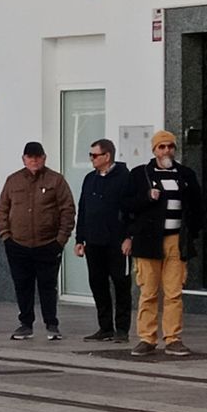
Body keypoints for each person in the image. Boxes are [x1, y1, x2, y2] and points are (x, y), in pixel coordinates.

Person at [125, 130, 203, 357]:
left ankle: (173, 338)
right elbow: (126, 205)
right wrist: (147, 197)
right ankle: (146, 338)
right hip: (148, 242)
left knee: (174, 292)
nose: (166, 150)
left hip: (176, 241)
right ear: (154, 150)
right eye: (162, 147)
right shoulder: (141, 174)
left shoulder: (185, 174)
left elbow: (197, 207)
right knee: (148, 291)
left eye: (170, 146)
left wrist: (192, 234)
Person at [0, 141, 75, 341]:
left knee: (48, 286)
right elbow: (2, 209)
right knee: (22, 285)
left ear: (44, 158)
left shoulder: (56, 180)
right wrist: (6, 235)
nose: (34, 160)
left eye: (37, 157)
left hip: (48, 243)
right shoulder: (13, 181)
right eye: (30, 157)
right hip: (18, 244)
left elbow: (67, 209)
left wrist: (61, 239)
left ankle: (52, 324)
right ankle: (25, 324)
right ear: (23, 159)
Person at [76, 138, 132, 343]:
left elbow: (131, 211)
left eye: (94, 155)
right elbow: (83, 209)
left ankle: (122, 328)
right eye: (90, 155)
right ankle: (105, 327)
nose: (91, 158)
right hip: (94, 241)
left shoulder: (125, 178)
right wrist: (79, 238)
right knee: (97, 284)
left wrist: (129, 237)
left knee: (120, 283)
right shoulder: (90, 179)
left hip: (117, 242)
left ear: (107, 156)